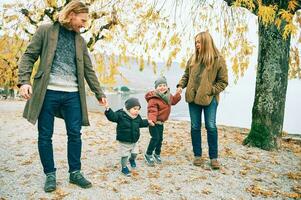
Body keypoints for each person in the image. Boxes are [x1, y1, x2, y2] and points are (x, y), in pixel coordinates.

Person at [18, 1, 107, 192]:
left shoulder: (80, 41)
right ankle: (50, 174)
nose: (84, 25)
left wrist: (99, 93)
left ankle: (75, 173)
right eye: (82, 20)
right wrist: (24, 81)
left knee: (75, 134)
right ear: (72, 14)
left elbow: (89, 70)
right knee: (45, 135)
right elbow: (28, 56)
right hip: (47, 92)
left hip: (73, 95)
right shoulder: (45, 31)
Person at [176, 31, 228, 170]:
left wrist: (210, 90)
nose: (197, 45)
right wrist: (181, 85)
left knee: (211, 126)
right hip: (193, 98)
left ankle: (213, 158)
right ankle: (197, 156)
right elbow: (186, 75)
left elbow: (223, 82)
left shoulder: (218, 59)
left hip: (210, 99)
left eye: (199, 42)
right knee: (195, 126)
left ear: (206, 42)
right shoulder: (193, 58)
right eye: (196, 42)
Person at [104, 97, 150, 176]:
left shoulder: (137, 117)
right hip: (124, 140)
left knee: (135, 153)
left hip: (134, 140)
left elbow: (141, 123)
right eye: (135, 109)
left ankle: (132, 159)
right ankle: (124, 167)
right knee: (124, 155)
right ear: (128, 108)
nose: (137, 111)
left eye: (138, 109)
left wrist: (148, 122)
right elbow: (112, 117)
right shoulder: (121, 115)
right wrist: (108, 109)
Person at [144, 76, 181, 166]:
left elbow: (174, 101)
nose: (162, 87)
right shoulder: (153, 98)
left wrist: (178, 94)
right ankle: (148, 154)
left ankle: (157, 153)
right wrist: (152, 120)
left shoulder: (168, 96)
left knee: (160, 139)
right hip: (153, 123)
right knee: (155, 138)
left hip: (161, 123)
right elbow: (152, 110)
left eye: (164, 85)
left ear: (167, 87)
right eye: (160, 85)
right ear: (156, 88)